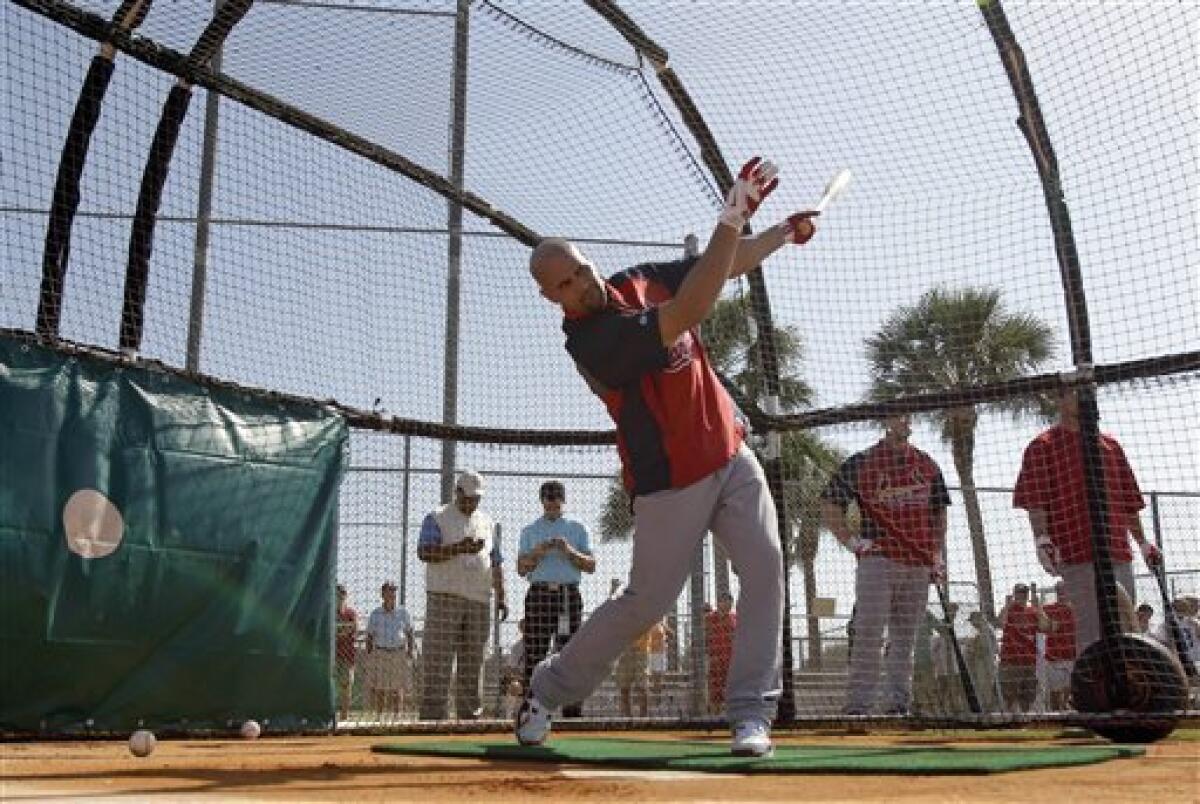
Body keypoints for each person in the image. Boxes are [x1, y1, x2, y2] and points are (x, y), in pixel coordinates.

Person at [519, 156, 817, 757]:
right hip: (668, 482)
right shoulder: (590, 343)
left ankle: (750, 713)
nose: (581, 287)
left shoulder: (641, 278)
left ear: (587, 259)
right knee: (646, 604)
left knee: (764, 568)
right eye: (565, 287)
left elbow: (720, 265)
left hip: (730, 454)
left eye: (580, 271)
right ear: (552, 299)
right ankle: (546, 689)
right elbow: (688, 313)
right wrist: (731, 215)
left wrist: (782, 233)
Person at [1013, 386, 1162, 655]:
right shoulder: (1042, 446)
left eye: (1088, 392)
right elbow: (1035, 500)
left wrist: (1143, 543)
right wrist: (1042, 539)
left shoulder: (1110, 446)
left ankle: (1128, 692)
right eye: (1075, 392)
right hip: (1076, 552)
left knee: (1126, 628)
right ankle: (1095, 693)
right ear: (1059, 398)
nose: (1084, 398)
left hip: (1119, 552)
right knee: (1093, 632)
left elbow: (1129, 502)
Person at [821, 413, 952, 716]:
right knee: (869, 633)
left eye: (908, 416)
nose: (904, 421)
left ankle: (898, 704)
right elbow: (830, 504)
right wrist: (853, 542)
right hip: (878, 560)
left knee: (906, 638)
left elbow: (939, 514)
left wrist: (937, 556)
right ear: (886, 421)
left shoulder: (927, 463)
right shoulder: (863, 461)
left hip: (918, 562)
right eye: (897, 416)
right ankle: (858, 706)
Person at [417, 470, 508, 721]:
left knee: (473, 663)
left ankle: (470, 720)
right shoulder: (437, 517)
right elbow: (425, 552)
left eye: (476, 499)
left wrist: (502, 595)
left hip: (479, 600)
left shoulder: (488, 523)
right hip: (445, 596)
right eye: (468, 497)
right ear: (457, 492)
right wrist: (460, 548)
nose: (472, 503)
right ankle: (433, 720)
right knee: (438, 661)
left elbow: (496, 562)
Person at [517, 480, 596, 718]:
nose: (552, 502)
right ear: (541, 500)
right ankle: (533, 712)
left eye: (556, 498)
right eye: (548, 498)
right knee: (535, 652)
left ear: (563, 500)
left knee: (570, 654)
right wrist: (537, 553)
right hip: (539, 594)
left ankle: (572, 712)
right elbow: (521, 569)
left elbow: (591, 565)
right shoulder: (530, 531)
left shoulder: (577, 527)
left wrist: (569, 551)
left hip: (567, 596)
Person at [364, 581, 415, 717]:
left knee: (397, 687)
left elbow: (410, 633)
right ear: (382, 594)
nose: (392, 594)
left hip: (398, 652)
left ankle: (396, 716)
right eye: (389, 590)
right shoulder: (375, 614)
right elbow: (369, 635)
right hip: (381, 652)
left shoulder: (403, 612)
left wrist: (410, 652)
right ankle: (379, 716)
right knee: (380, 687)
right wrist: (369, 654)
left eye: (393, 591)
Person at [997, 583, 1048, 714]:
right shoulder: (1010, 610)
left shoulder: (1033, 611)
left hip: (1028, 661)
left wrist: (1039, 608)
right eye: (1019, 593)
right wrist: (1007, 605)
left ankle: (1024, 723)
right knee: (1009, 697)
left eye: (1024, 593)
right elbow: (1000, 623)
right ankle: (1010, 724)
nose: (1022, 596)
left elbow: (1044, 627)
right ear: (1014, 594)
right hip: (1010, 660)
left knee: (1027, 698)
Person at [1040, 581, 1077, 711]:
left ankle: (1065, 708)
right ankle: (1055, 717)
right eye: (1059, 590)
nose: (1062, 593)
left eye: (1064, 590)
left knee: (1071, 692)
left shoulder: (1077, 609)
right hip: (1054, 658)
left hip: (1073, 658)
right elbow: (1040, 623)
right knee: (1055, 695)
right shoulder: (1048, 609)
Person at [705, 592, 737, 714]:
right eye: (724, 602)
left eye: (730, 603)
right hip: (715, 658)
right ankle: (714, 715)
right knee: (714, 689)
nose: (728, 605)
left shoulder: (734, 617)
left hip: (730, 659)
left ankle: (725, 715)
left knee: (728, 689)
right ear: (719, 603)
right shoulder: (710, 618)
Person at [965, 610, 1001, 713]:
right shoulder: (984, 629)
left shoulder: (985, 629)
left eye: (973, 621)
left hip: (986, 663)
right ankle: (987, 707)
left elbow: (983, 649)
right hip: (985, 662)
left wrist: (972, 650)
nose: (972, 624)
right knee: (984, 686)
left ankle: (988, 708)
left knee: (986, 686)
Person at [614, 627, 653, 718]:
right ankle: (627, 717)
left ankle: (643, 717)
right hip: (624, 649)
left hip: (641, 649)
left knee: (642, 685)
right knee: (624, 687)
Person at [335, 584, 359, 720]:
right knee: (332, 685)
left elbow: (354, 627)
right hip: (332, 655)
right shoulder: (329, 612)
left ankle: (345, 716)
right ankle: (331, 715)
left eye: (343, 594)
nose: (340, 596)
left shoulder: (350, 613)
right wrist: (343, 630)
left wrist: (339, 631)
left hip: (348, 654)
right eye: (338, 594)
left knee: (347, 684)